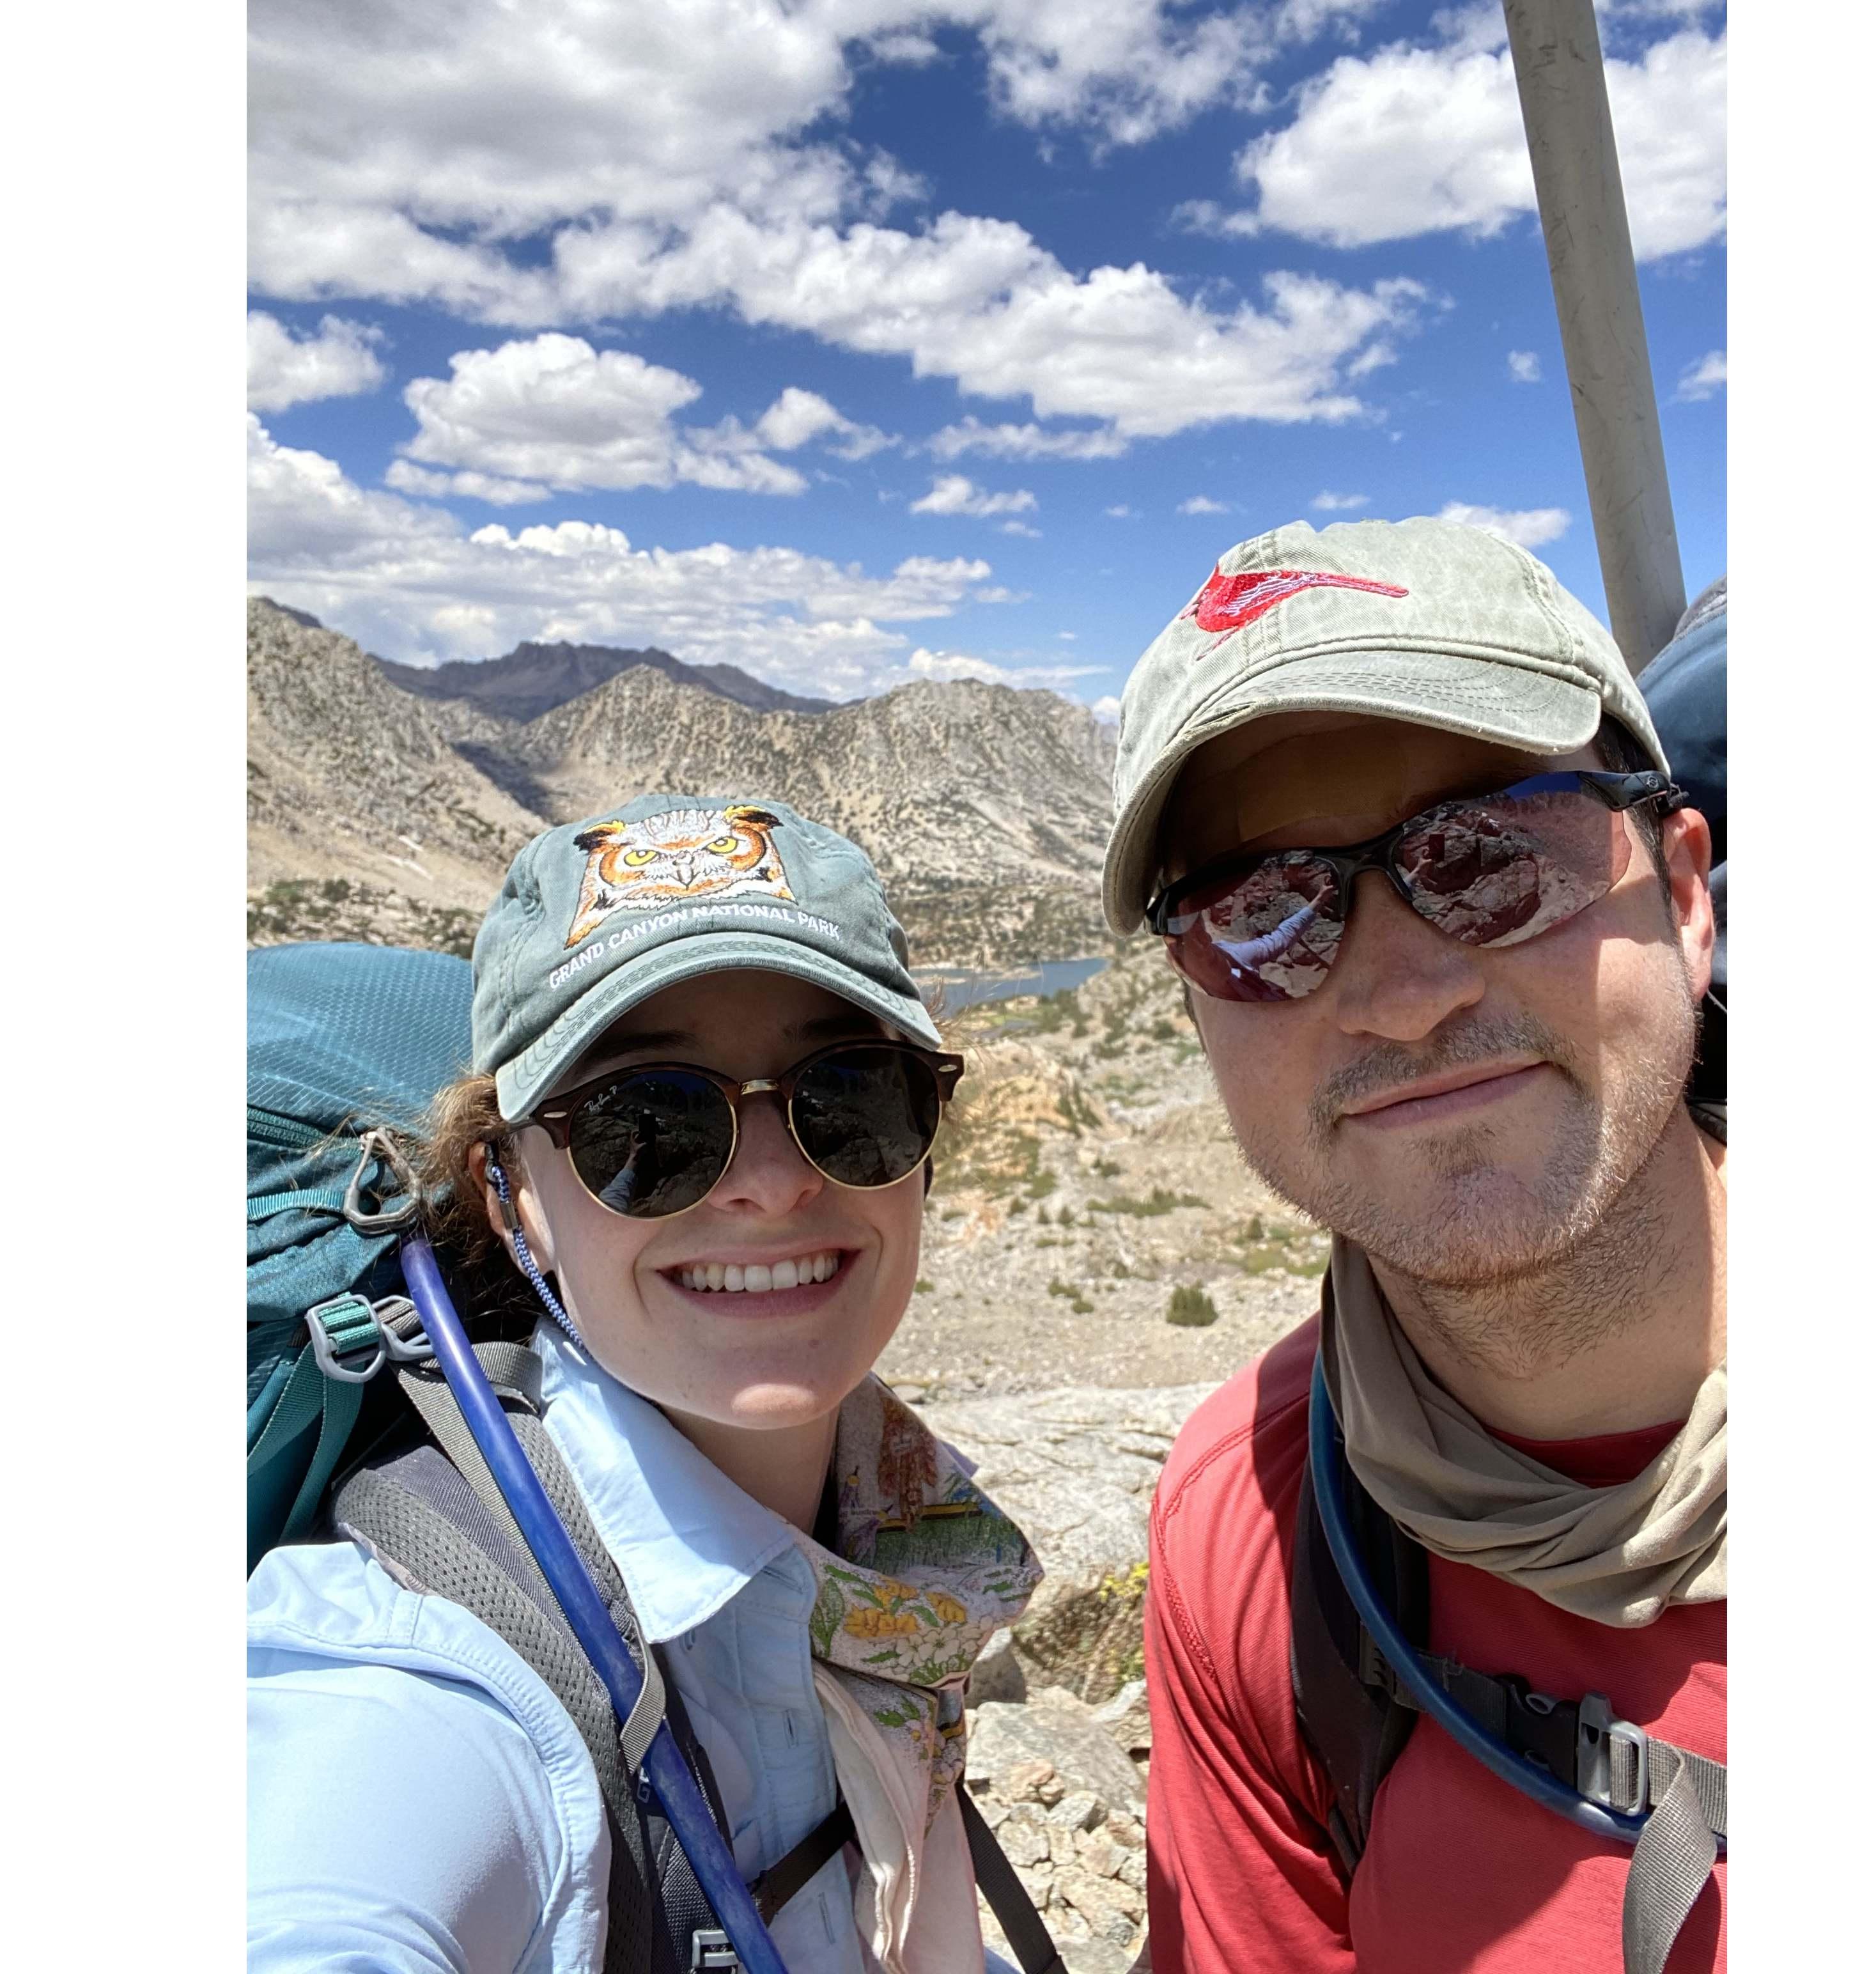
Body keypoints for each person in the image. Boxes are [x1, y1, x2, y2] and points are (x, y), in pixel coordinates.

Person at [247, 794, 1043, 1974]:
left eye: (850, 1096)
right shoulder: (428, 1681)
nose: (772, 1183)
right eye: (647, 1125)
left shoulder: (896, 1534)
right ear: (511, 1193)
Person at [1101, 519, 1725, 1972]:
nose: (1399, 993)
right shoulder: (1253, 1530)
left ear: (1685, 896)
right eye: (1261, 915)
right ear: (1197, 1009)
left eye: (1494, 853)